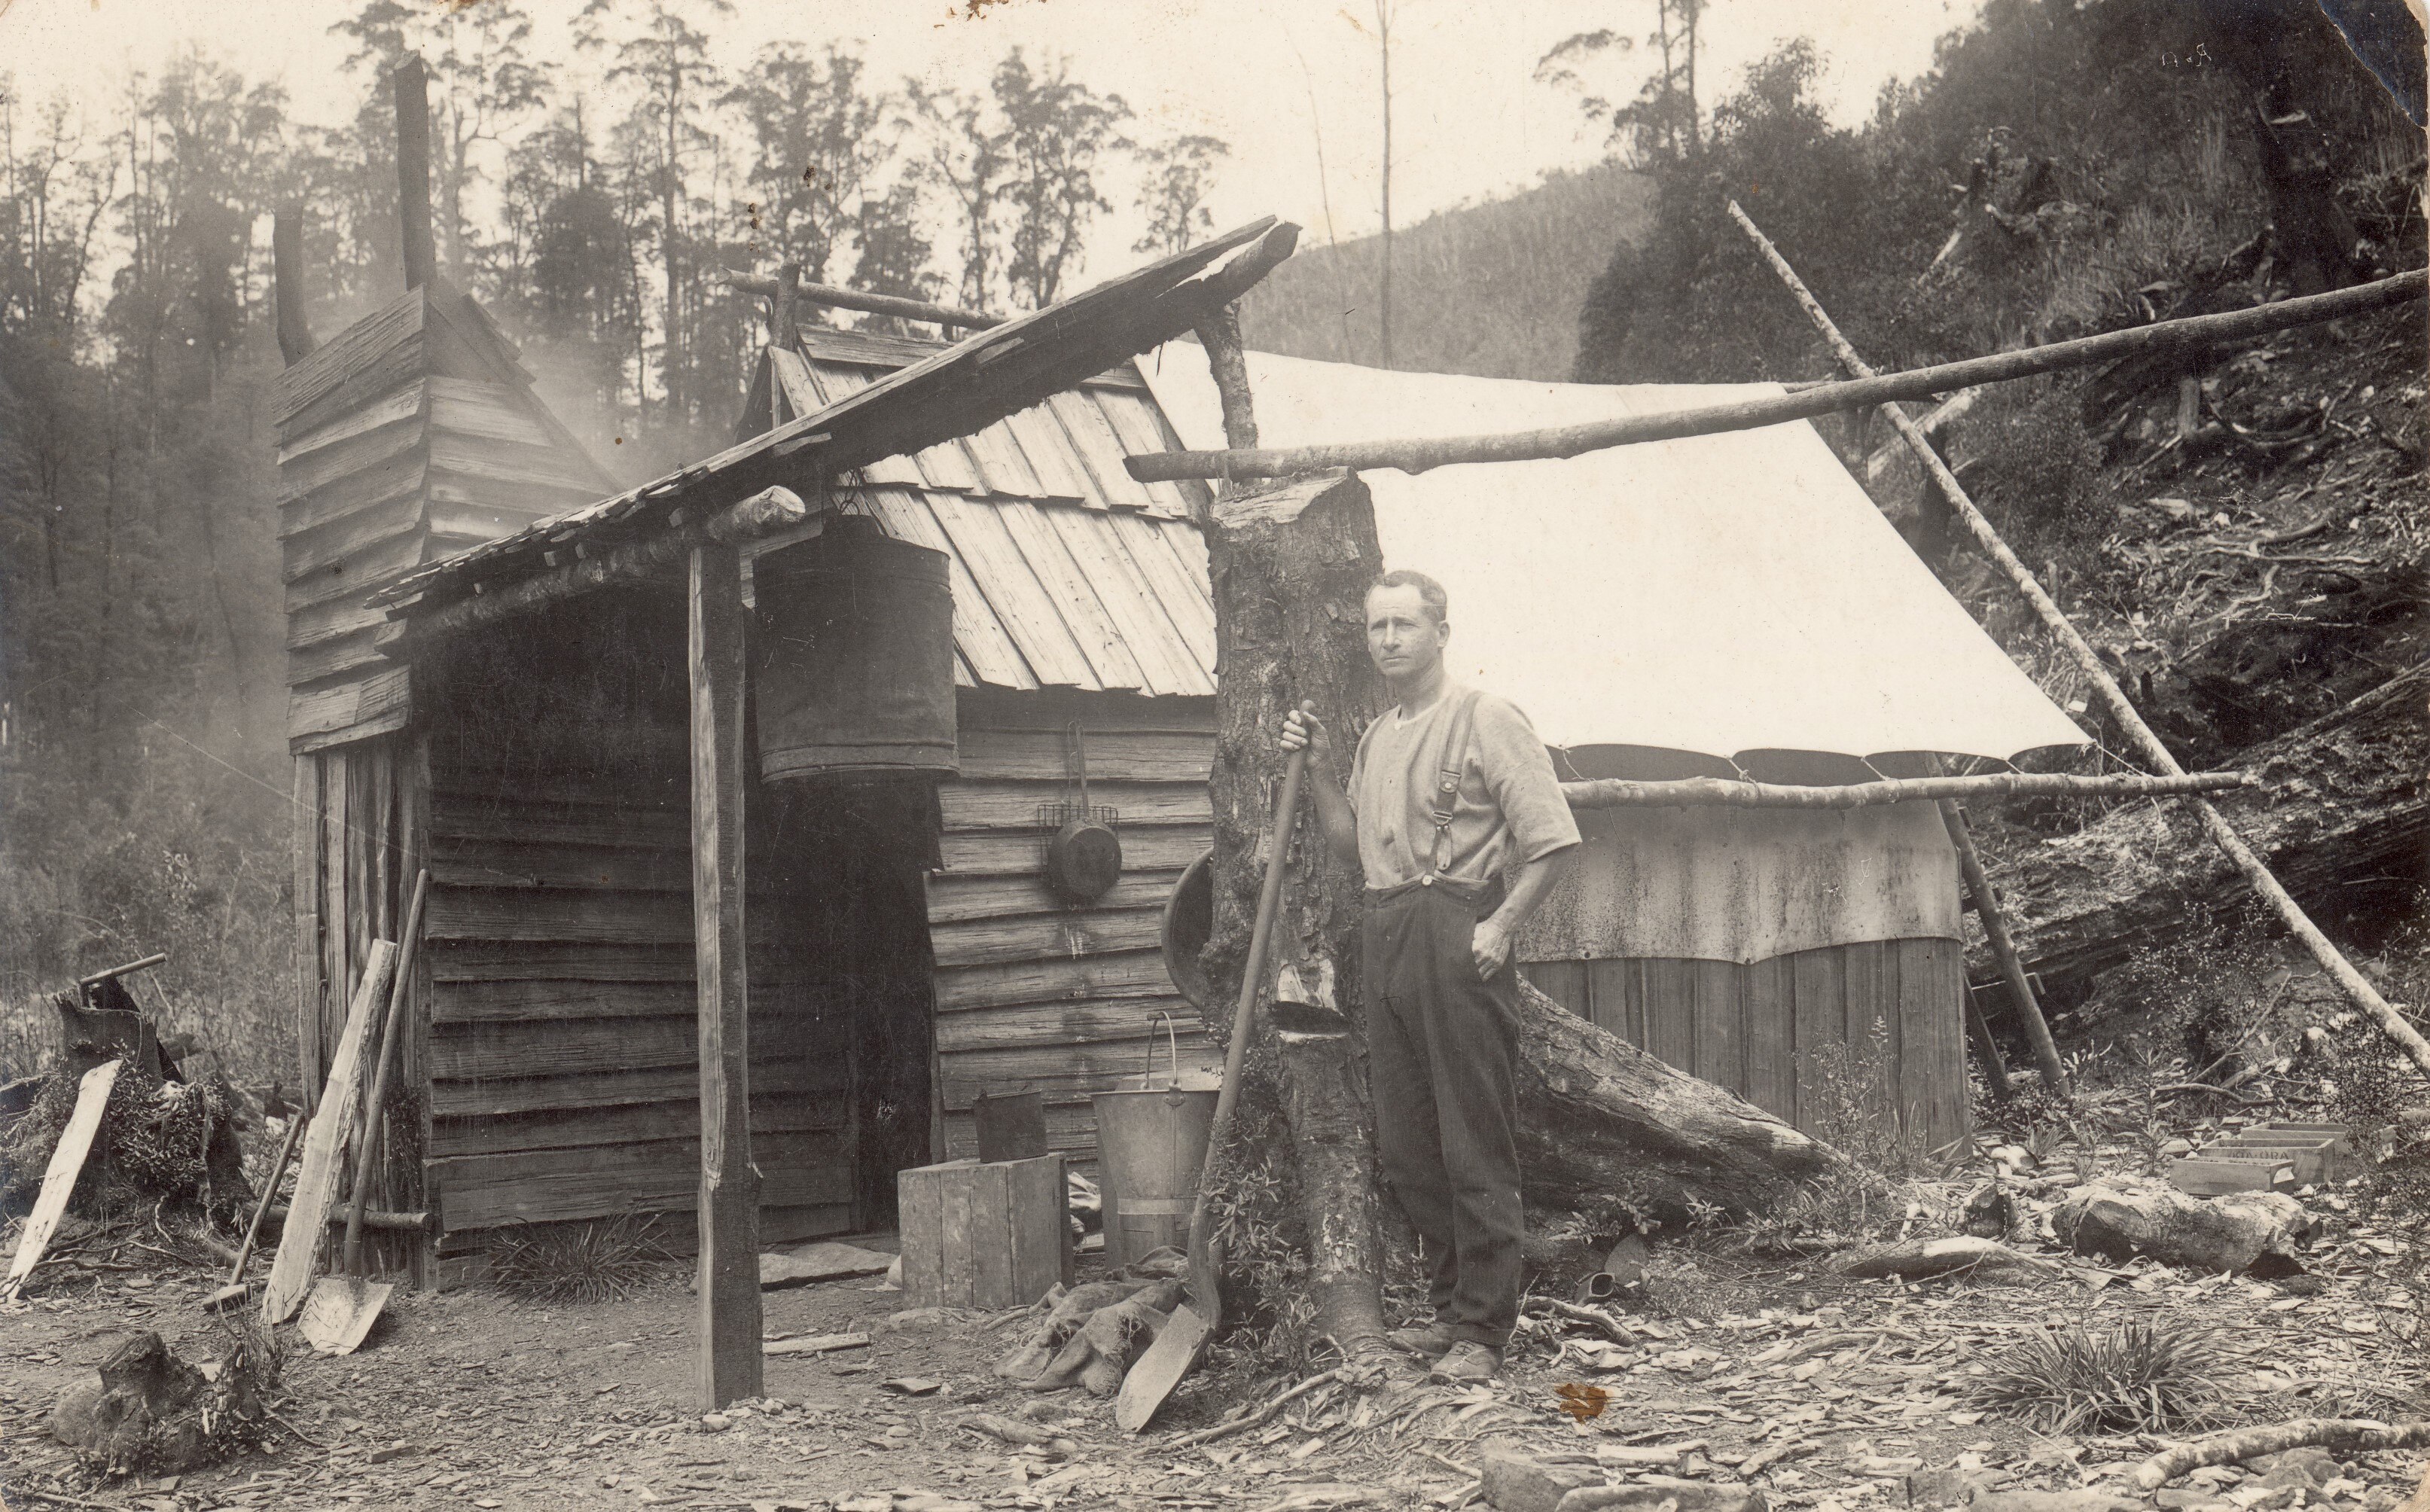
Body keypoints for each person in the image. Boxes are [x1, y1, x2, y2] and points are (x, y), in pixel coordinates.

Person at [1279, 569, 1580, 1383]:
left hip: (1455, 932)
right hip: (1383, 934)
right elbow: (1351, 851)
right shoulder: (1378, 736)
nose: (1387, 641)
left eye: (1402, 626)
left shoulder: (1487, 718)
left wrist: (1498, 925)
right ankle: (1449, 1314)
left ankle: (1483, 1332)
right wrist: (1313, 766)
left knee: (1473, 1142)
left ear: (1439, 631)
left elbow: (1553, 841)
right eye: (1376, 628)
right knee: (1410, 1147)